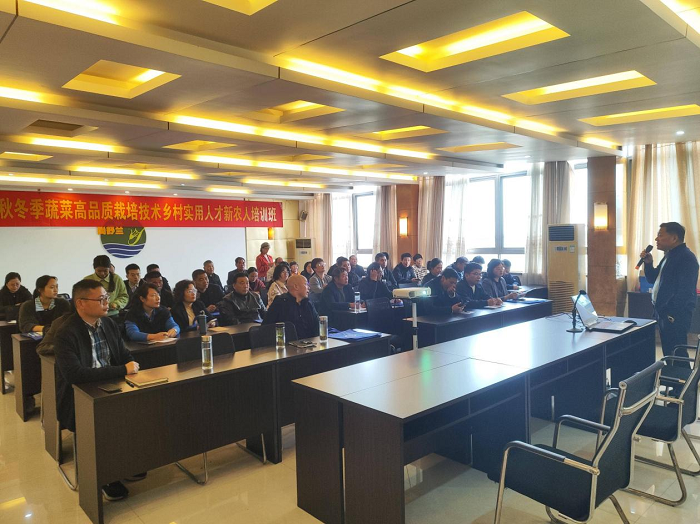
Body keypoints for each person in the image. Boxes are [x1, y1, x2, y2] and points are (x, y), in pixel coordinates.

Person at [53, 279, 139, 501]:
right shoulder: (65, 333)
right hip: (80, 396)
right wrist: (122, 369)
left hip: (112, 387)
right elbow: (75, 375)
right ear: (80, 303)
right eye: (101, 299)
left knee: (140, 408)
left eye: (106, 298)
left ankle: (127, 463)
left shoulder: (108, 324)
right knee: (105, 421)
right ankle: (106, 475)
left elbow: (124, 355)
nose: (106, 303)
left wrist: (130, 366)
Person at [641, 222, 699, 365]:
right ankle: (673, 378)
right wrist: (648, 263)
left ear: (674, 238)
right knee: (669, 353)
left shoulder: (686, 258)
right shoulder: (670, 255)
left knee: (677, 354)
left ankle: (682, 379)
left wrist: (671, 313)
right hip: (664, 313)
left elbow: (685, 291)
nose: (656, 239)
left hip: (674, 315)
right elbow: (653, 279)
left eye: (660, 235)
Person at [263, 274, 320, 339]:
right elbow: (266, 328)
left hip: (310, 343)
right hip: (288, 343)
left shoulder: (308, 303)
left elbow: (317, 325)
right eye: (306, 284)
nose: (309, 288)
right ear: (296, 287)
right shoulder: (281, 303)